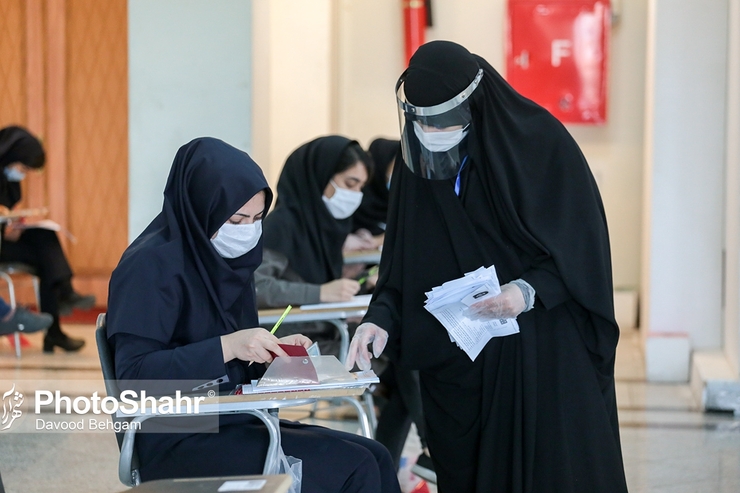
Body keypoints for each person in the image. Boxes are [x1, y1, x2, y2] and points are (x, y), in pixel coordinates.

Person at [346, 41, 628, 492]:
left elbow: (582, 250)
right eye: (423, 120)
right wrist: (378, 319)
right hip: (461, 365)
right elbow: (400, 269)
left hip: (540, 356)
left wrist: (527, 291)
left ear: (476, 103)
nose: (434, 131)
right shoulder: (417, 164)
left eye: (445, 119)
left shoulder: (540, 145)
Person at [106, 137, 400, 493]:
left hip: (234, 418)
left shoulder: (227, 263)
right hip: (178, 435)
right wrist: (227, 347)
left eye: (257, 218)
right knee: (355, 468)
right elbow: (135, 377)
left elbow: (236, 361)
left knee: (376, 455)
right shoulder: (149, 267)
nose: (247, 231)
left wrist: (273, 353)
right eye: (236, 219)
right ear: (202, 210)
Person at [254, 135, 374, 355]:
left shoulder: (324, 226)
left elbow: (313, 280)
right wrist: (320, 292)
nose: (356, 195)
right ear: (320, 176)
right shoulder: (281, 225)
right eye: (350, 183)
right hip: (289, 337)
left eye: (361, 187)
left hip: (321, 328)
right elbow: (258, 287)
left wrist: (363, 283)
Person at [0, 126, 95, 353]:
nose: (22, 174)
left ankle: (58, 314)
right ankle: (62, 300)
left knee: (45, 237)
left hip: (4, 240)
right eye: (22, 168)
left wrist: (11, 226)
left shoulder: (8, 180)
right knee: (47, 261)